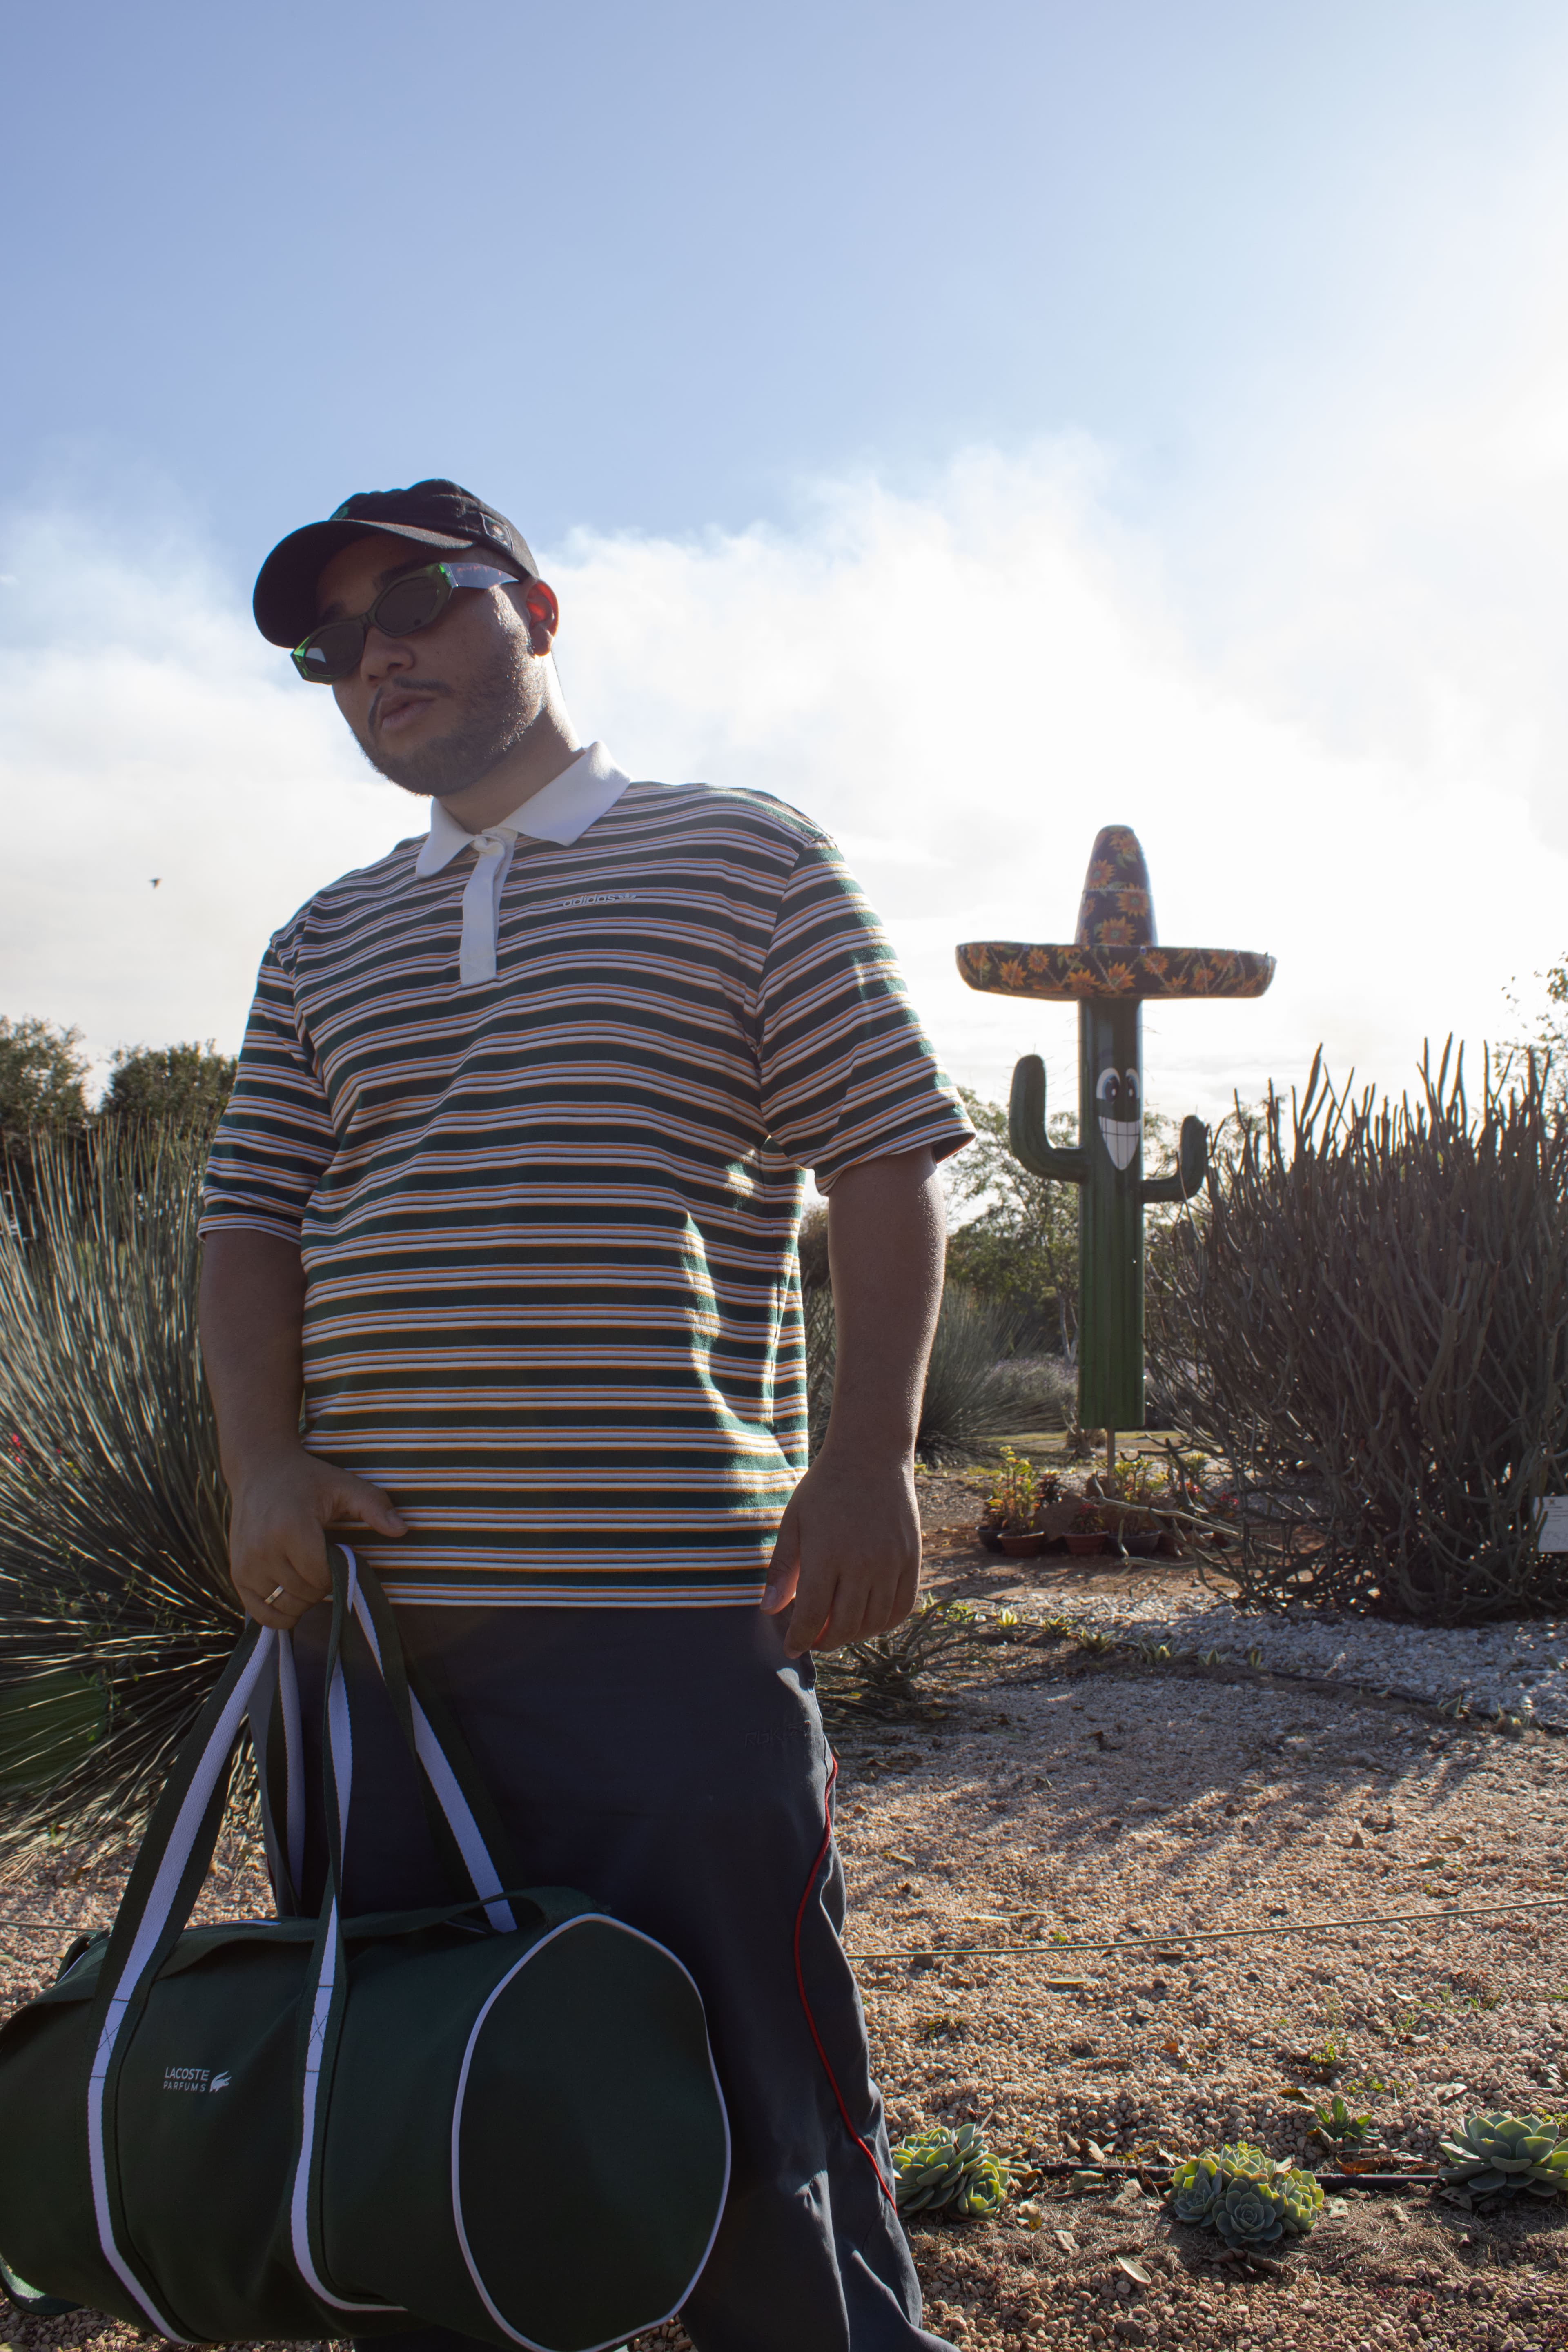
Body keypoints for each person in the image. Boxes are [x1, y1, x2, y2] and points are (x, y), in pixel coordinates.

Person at [198, 479, 973, 2352]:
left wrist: (866, 1462)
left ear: (531, 606)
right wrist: (262, 1468)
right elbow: (248, 1221)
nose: (376, 653)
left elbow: (882, 1156)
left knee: (754, 2091)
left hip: (663, 1617)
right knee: (418, 2087)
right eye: (333, 644)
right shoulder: (320, 939)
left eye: (418, 601)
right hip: (375, 1640)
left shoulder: (739, 857)